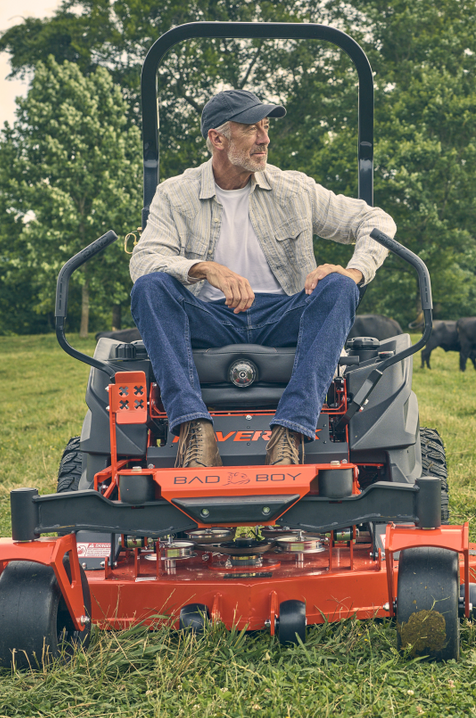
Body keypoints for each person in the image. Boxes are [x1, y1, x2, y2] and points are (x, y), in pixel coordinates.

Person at [128, 89, 395, 467]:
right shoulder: (175, 195)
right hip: (210, 319)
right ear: (217, 139)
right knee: (150, 286)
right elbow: (143, 260)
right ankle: (193, 430)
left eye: (266, 127)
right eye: (252, 129)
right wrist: (203, 268)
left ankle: (291, 431)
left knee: (338, 286)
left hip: (284, 317)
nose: (265, 138)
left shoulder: (294, 189)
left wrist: (352, 271)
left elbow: (377, 220)